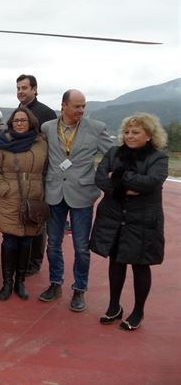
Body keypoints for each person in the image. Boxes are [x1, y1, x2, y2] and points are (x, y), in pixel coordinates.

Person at [90, 113, 168, 331]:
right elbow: (100, 177)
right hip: (114, 217)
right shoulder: (114, 152)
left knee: (140, 266)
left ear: (149, 135)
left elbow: (151, 182)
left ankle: (138, 311)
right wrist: (125, 186)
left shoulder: (158, 158)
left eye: (135, 132)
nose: (129, 136)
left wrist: (119, 177)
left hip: (142, 221)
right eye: (127, 132)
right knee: (116, 262)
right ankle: (114, 306)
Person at [38, 89, 113, 312]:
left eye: (83, 106)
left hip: (82, 193)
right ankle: (55, 283)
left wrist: (100, 176)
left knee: (81, 247)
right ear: (64, 106)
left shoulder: (96, 128)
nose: (81, 110)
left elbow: (113, 156)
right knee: (53, 243)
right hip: (54, 192)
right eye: (77, 106)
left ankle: (79, 289)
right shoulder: (48, 128)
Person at [0, 108, 48, 301]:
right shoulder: (2, 143)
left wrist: (43, 190)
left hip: (34, 197)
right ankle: (7, 282)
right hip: (8, 198)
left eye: (23, 120)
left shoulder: (41, 142)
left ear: (31, 122)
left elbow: (48, 168)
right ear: (11, 123)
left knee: (28, 239)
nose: (20, 123)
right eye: (16, 120)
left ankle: (20, 281)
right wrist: (4, 188)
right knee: (10, 240)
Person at [16, 74, 57, 277]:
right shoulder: (18, 112)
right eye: (18, 88)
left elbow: (52, 146)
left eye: (25, 87)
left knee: (37, 217)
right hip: (20, 173)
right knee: (21, 215)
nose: (21, 91)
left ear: (35, 89)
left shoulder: (46, 113)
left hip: (39, 174)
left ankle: (34, 261)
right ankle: (22, 257)